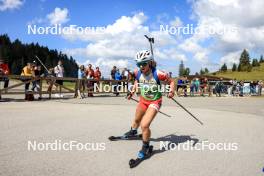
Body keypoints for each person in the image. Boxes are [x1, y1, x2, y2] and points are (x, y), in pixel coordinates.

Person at [126, 50, 175, 159]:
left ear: (150, 62)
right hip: (143, 100)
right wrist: (132, 92)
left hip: (155, 101)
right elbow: (137, 81)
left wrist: (171, 91)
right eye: (139, 64)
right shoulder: (137, 72)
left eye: (144, 63)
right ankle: (133, 131)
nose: (141, 66)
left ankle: (146, 147)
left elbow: (171, 81)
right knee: (136, 120)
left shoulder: (158, 73)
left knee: (144, 125)